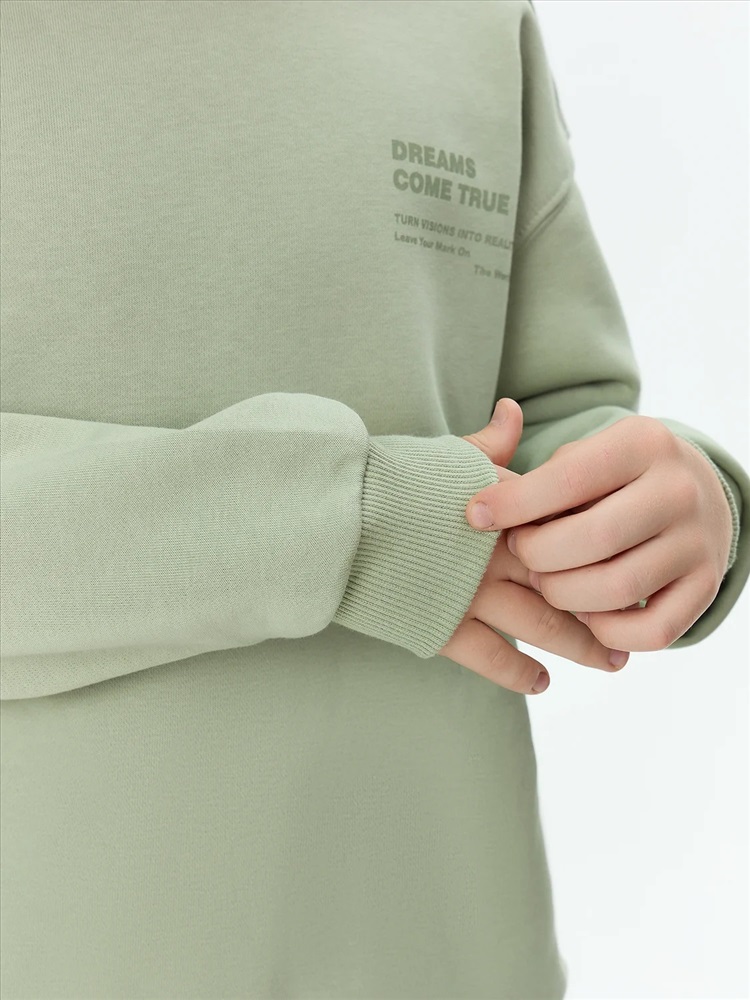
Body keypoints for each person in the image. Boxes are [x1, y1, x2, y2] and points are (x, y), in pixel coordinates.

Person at [1, 1, 746, 997]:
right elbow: (424, 510)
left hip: (446, 949)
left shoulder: (468, 20)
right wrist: (349, 526)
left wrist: (682, 505)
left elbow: (549, 412)